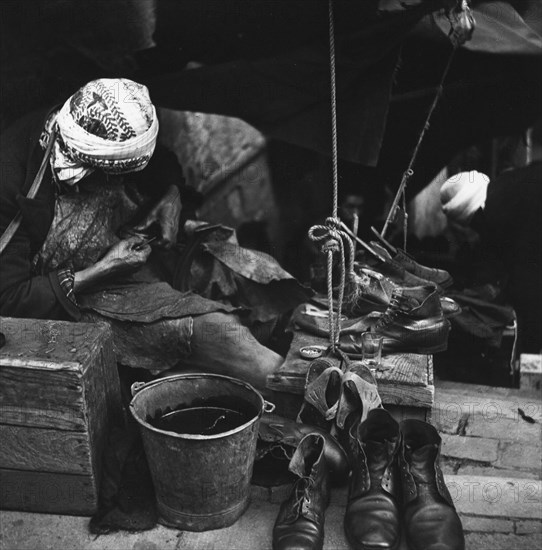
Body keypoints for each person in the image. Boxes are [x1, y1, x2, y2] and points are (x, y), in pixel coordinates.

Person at [0, 78, 308, 391]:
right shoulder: (13, 183)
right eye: (111, 176)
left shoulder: (98, 121)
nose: (114, 181)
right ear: (89, 165)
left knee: (258, 282)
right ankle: (304, 395)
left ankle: (301, 354)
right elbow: (8, 300)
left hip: (133, 250)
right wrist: (101, 271)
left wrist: (171, 197)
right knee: (213, 332)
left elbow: (160, 163)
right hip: (73, 292)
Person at [440, 164, 542, 353]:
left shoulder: (501, 212)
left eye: (473, 225)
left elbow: (528, 278)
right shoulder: (506, 186)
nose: (478, 231)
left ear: (475, 214)